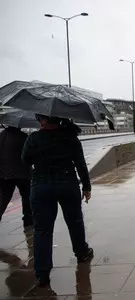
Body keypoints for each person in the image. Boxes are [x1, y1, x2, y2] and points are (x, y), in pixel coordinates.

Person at [21, 115, 94, 287]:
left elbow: (25, 160)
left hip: (41, 186)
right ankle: (81, 252)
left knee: (42, 230)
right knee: (75, 222)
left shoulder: (34, 138)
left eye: (39, 118)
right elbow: (80, 164)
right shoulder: (70, 137)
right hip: (67, 184)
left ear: (44, 121)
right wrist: (87, 187)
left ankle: (42, 274)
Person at [0, 126, 33, 227]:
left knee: (3, 198)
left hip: (4, 174)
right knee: (27, 197)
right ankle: (28, 221)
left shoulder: (1, 136)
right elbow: (29, 156)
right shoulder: (23, 137)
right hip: (23, 174)